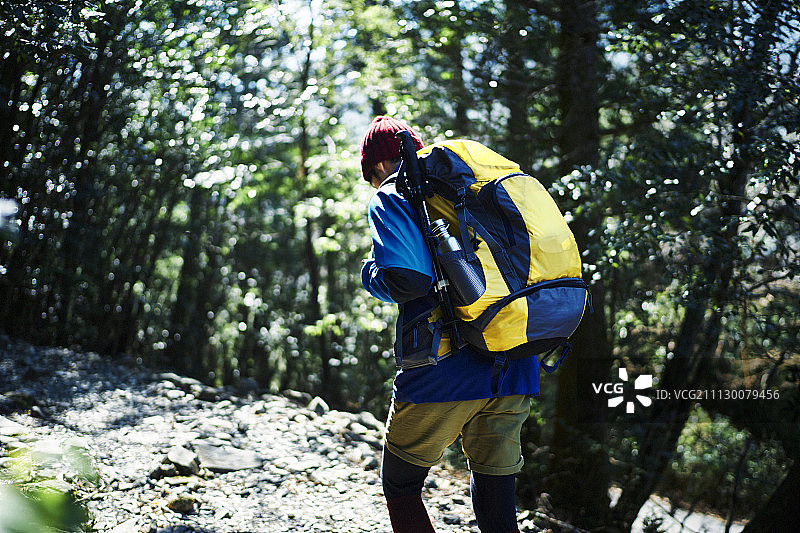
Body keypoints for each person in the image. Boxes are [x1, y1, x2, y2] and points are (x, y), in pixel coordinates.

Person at [358, 116, 541, 533]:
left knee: (401, 485)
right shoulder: (470, 190)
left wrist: (371, 274)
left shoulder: (394, 192)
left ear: (379, 167)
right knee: (496, 490)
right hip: (516, 359)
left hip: (446, 367)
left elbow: (410, 278)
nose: (373, 185)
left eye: (371, 176)